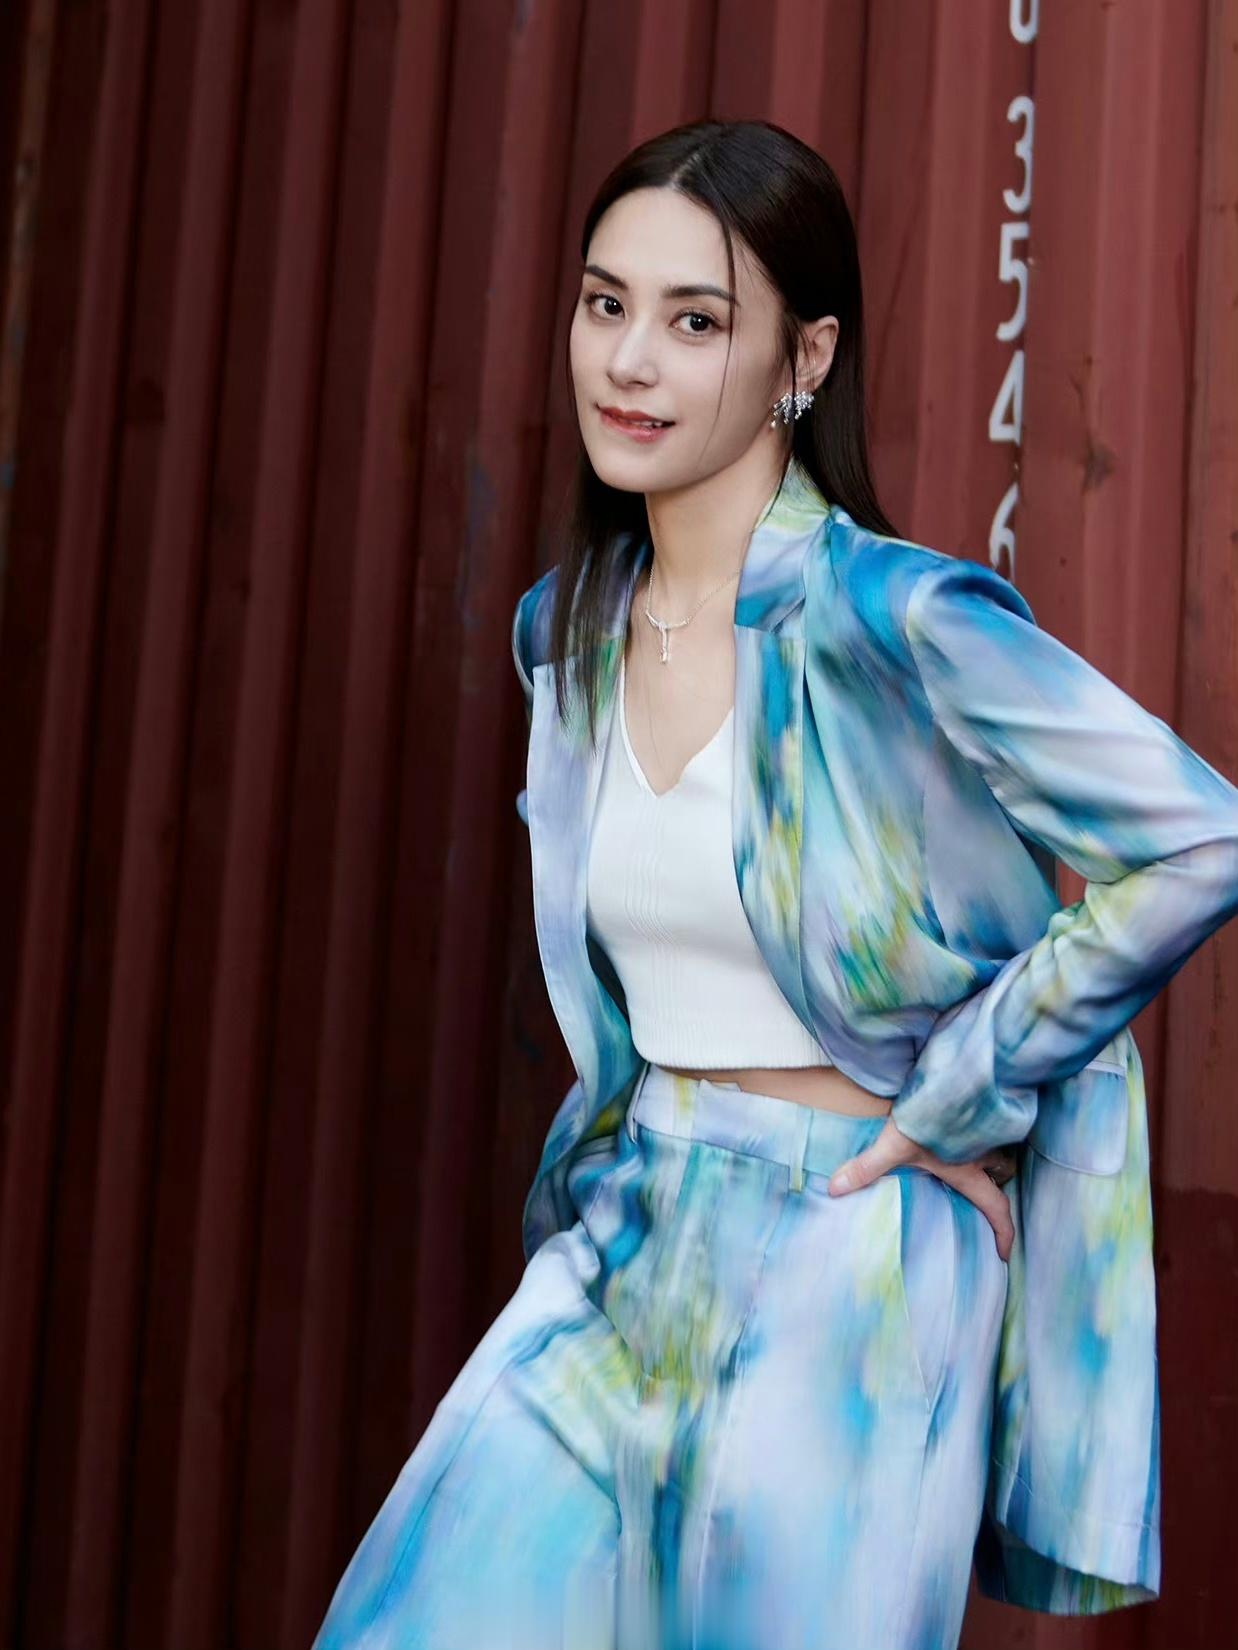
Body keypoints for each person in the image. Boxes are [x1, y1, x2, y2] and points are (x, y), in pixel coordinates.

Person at [312, 119, 1238, 1650]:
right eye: (605, 305)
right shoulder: (565, 636)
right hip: (631, 1222)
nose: (630, 361)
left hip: (853, 1252)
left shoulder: (892, 616)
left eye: (694, 321)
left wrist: (964, 1087)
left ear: (802, 358)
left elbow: (1197, 836)